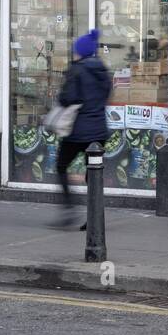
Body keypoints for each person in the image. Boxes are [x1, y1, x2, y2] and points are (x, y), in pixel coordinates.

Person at [56, 28, 113, 229]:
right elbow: (106, 96)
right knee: (93, 176)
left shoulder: (77, 69)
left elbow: (67, 98)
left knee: (61, 166)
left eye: (76, 50)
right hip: (98, 131)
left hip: (77, 132)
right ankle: (95, 218)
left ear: (80, 51)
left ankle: (68, 210)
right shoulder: (103, 71)